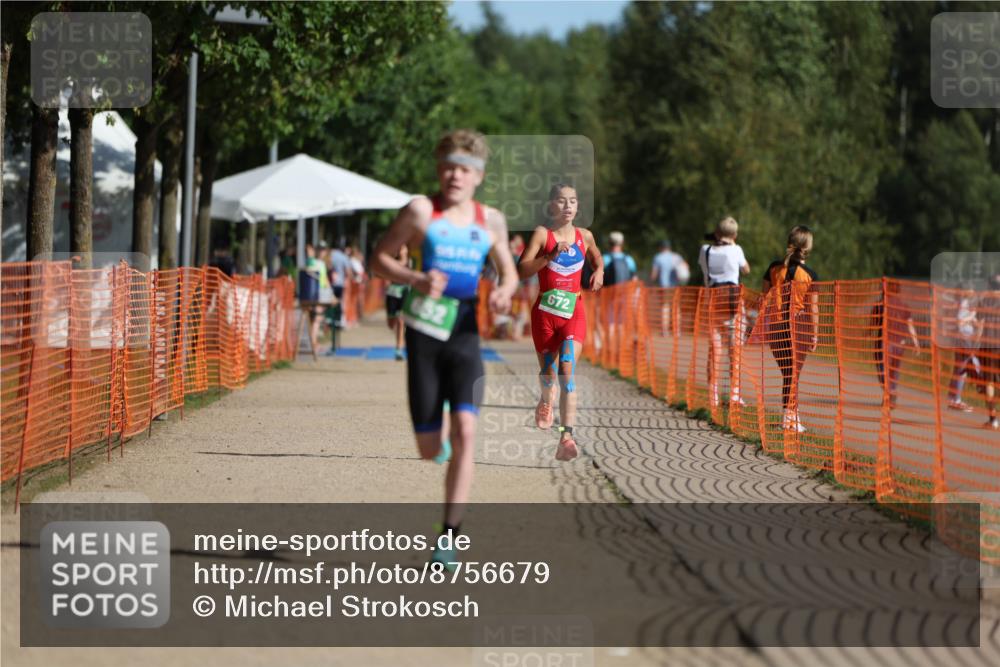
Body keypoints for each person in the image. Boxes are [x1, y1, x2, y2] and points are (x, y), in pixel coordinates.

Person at [371, 129, 518, 568]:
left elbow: (509, 273)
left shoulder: (489, 220)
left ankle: (448, 536)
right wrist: (415, 279)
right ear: (440, 170)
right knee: (430, 449)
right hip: (424, 335)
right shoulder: (420, 211)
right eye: (449, 167)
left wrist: (505, 291)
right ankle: (441, 449)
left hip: (466, 333)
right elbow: (378, 259)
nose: (456, 175)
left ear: (478, 176)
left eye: (465, 169)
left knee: (468, 431)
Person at [517, 184, 603, 461]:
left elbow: (596, 256)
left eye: (573, 201)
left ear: (578, 206)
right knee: (548, 375)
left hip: (573, 312)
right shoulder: (543, 235)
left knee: (567, 372)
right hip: (545, 314)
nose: (568, 206)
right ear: (551, 205)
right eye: (562, 201)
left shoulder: (585, 236)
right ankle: (545, 399)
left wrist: (599, 270)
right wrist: (548, 257)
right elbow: (521, 270)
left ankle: (566, 436)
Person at [762, 225, 818, 433]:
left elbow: (764, 297)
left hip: (775, 327)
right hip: (799, 328)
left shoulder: (774, 269)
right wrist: (815, 334)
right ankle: (790, 418)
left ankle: (790, 416)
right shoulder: (809, 275)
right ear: (808, 247)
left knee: (789, 373)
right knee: (793, 374)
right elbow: (813, 308)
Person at [699, 217, 751, 408]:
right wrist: (733, 245)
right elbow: (746, 269)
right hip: (733, 305)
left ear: (717, 232)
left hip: (712, 303)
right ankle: (735, 394)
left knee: (715, 350)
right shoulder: (736, 250)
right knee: (735, 351)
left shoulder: (705, 250)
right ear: (735, 235)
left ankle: (712, 395)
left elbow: (705, 270)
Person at [872, 281, 921, 410]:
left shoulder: (880, 304)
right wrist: (916, 343)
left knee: (883, 370)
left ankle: (888, 393)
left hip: (883, 343)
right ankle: (891, 392)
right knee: (894, 371)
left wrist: (866, 333)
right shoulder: (904, 305)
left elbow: (873, 323)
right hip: (900, 343)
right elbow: (910, 324)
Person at [946, 289, 982, 412]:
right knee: (962, 370)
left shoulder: (964, 303)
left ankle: (952, 398)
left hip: (964, 338)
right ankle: (956, 400)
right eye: (971, 291)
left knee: (959, 369)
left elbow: (969, 320)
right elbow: (960, 321)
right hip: (963, 339)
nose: (974, 293)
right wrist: (972, 316)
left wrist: (977, 322)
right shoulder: (963, 302)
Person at [978, 274, 1000, 430]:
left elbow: (979, 324)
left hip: (989, 346)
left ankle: (993, 419)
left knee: (989, 382)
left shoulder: (984, 300)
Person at [384, 245, 410, 360]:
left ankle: (398, 349)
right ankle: (398, 341)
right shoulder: (392, 262)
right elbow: (387, 275)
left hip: (405, 292)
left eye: (403, 248)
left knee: (401, 321)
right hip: (392, 293)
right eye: (399, 248)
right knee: (391, 324)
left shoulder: (411, 263)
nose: (401, 250)